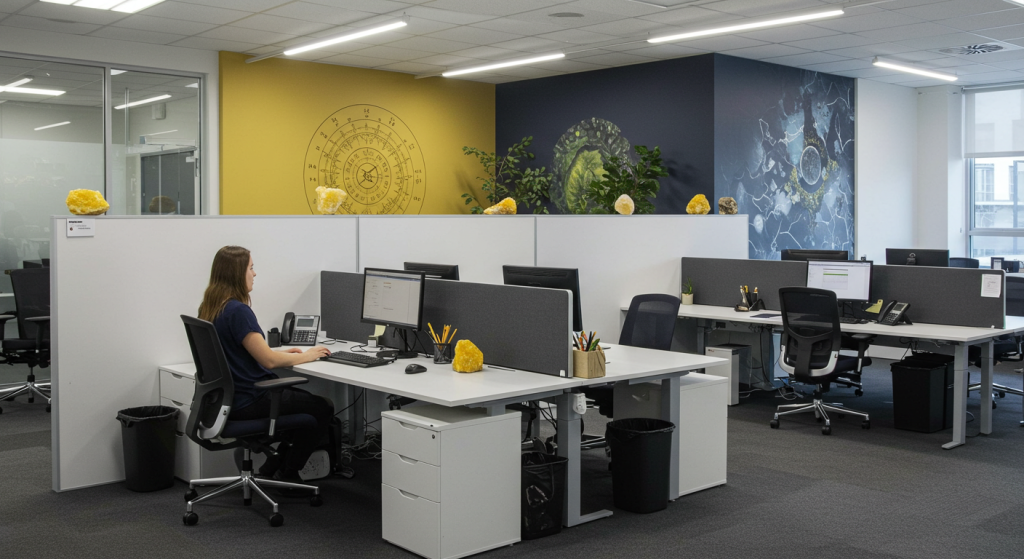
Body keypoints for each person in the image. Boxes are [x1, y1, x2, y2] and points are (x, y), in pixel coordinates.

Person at [198, 245, 333, 482]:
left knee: (306, 409)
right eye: (251, 268)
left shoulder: (211, 306)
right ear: (236, 274)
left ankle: (273, 466)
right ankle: (287, 474)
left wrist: (281, 352)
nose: (255, 273)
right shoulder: (238, 311)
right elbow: (269, 361)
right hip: (250, 399)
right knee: (323, 408)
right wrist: (307, 355)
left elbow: (240, 349)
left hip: (225, 400)